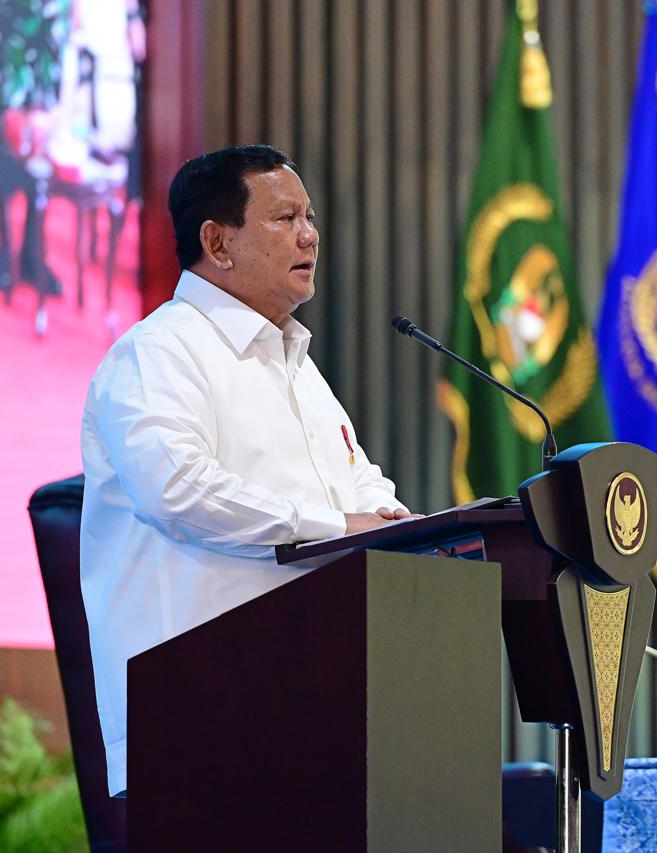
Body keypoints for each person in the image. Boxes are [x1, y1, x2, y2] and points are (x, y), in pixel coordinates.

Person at [79, 144, 414, 797]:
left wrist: (399, 524)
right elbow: (176, 489)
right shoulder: (157, 353)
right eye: (285, 217)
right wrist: (337, 526)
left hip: (316, 713)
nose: (310, 234)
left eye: (309, 216)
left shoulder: (296, 365)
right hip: (198, 721)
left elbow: (360, 482)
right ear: (217, 241)